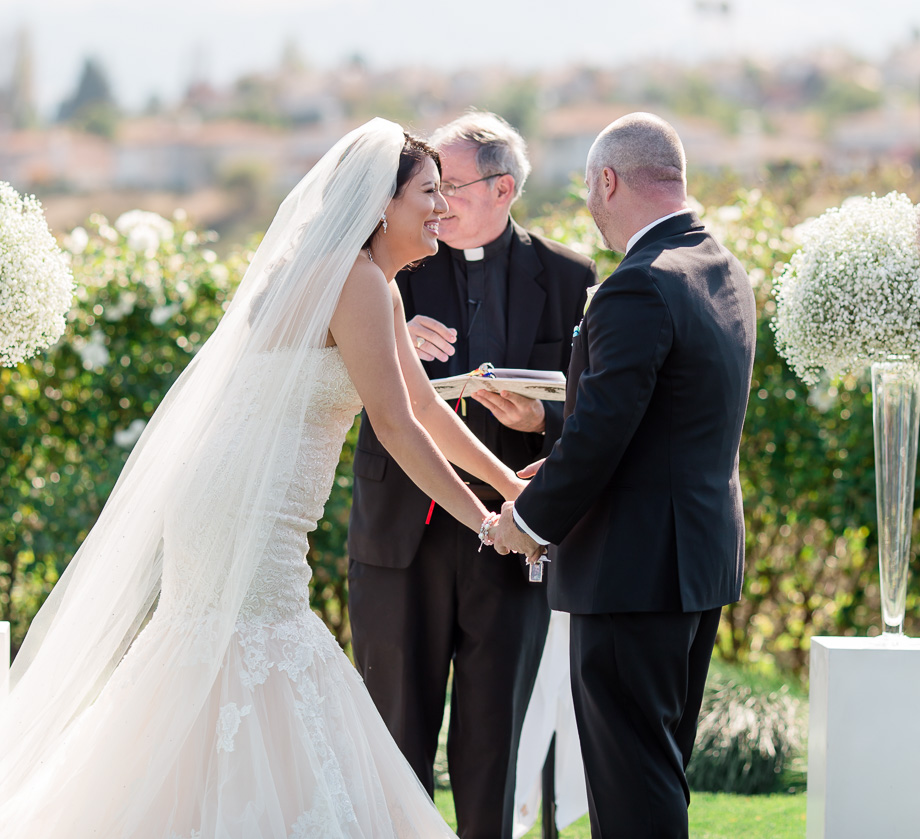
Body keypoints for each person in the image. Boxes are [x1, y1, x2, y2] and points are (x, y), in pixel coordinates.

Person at [0, 119, 526, 838]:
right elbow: (397, 426)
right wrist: (487, 524)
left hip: (227, 501)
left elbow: (429, 407)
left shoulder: (364, 282)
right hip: (244, 512)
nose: (442, 208)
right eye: (428, 192)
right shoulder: (355, 281)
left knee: (219, 653)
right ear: (380, 205)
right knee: (259, 645)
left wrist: (510, 488)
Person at [490, 112, 757, 838]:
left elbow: (603, 434)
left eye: (587, 188)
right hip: (694, 565)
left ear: (608, 181)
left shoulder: (636, 286)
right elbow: (664, 421)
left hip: (633, 574)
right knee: (657, 768)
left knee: (632, 783)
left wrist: (525, 521)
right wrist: (556, 445)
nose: (588, 207)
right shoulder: (722, 267)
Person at [347, 111, 596, 839]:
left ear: (504, 188)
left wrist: (536, 424)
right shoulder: (393, 259)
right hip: (402, 536)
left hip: (509, 538)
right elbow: (387, 402)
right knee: (396, 733)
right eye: (432, 187)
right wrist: (395, 338)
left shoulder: (568, 276)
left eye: (452, 185)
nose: (438, 203)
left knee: (497, 740)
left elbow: (589, 411)